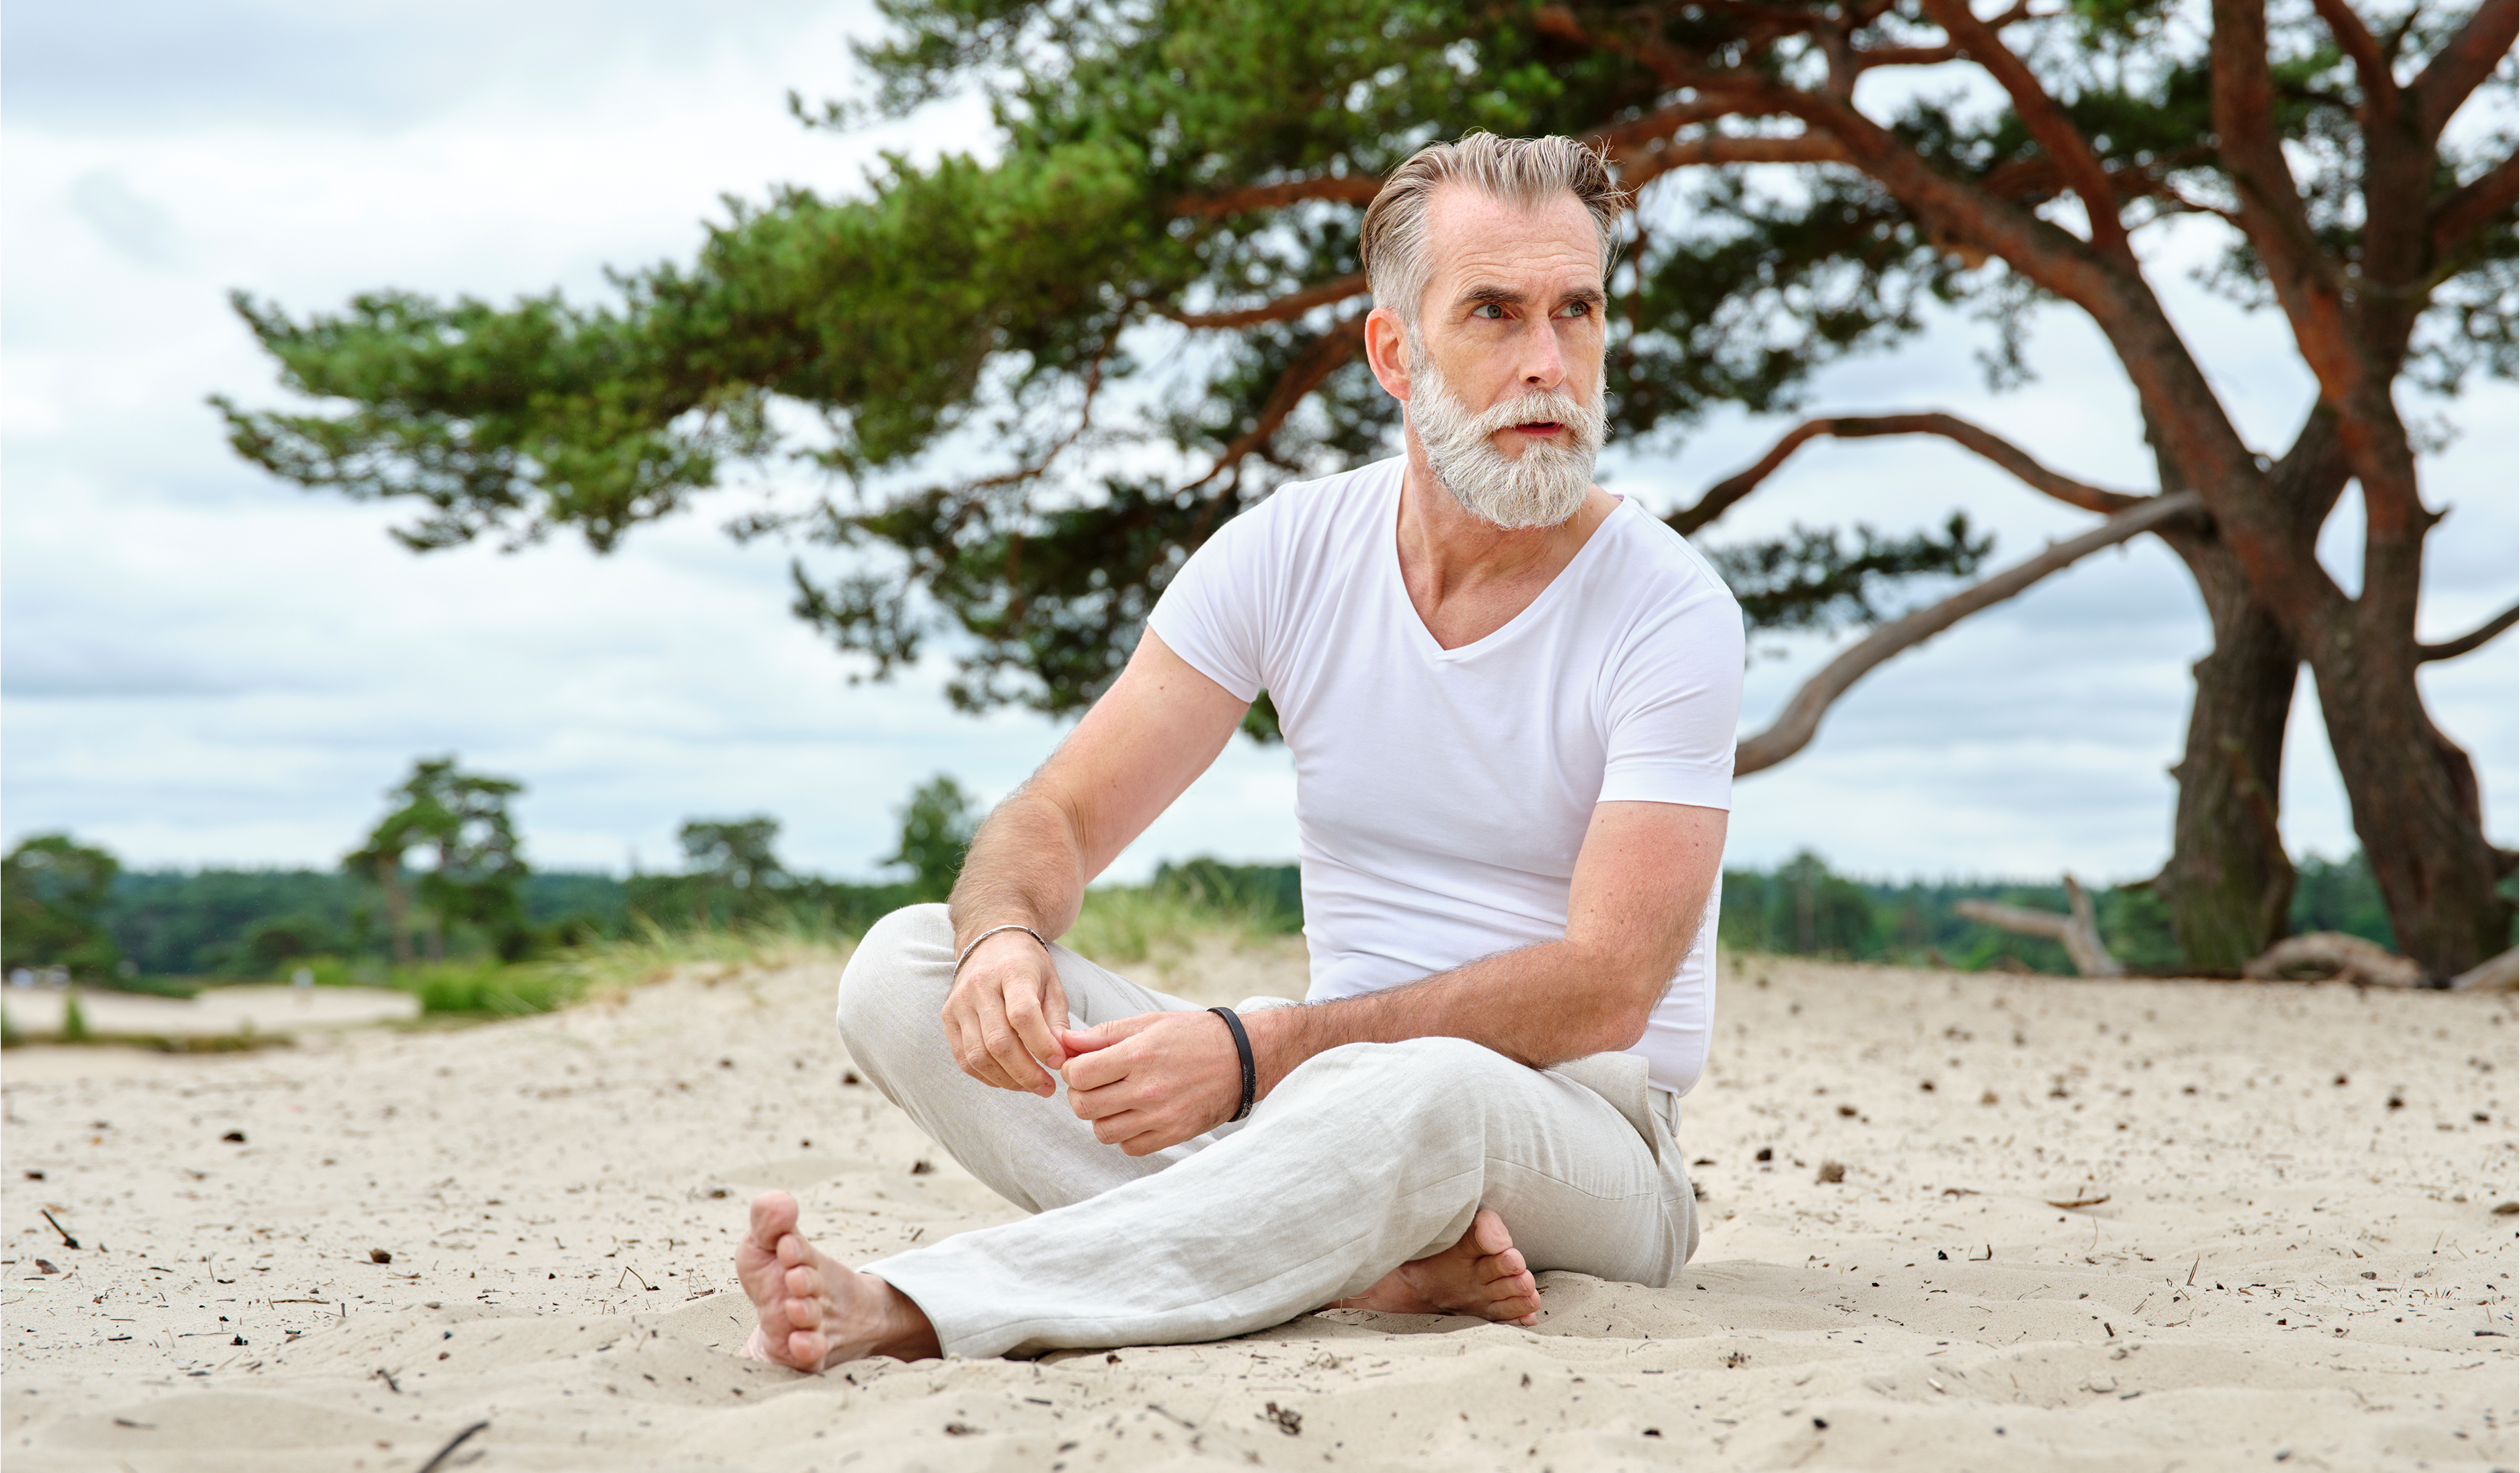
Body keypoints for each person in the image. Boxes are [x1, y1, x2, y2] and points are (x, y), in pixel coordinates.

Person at [738, 132, 1744, 1368]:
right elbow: (1055, 816)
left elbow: (1612, 984)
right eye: (1494, 312)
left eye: (1576, 311)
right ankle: (1360, 1262)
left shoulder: (1671, 609)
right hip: (1314, 1099)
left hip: (1582, 1138)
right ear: (1396, 351)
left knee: (1416, 1091)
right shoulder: (1288, 552)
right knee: (905, 966)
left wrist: (1255, 1053)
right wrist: (1002, 939)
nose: (1549, 363)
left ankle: (921, 1304)